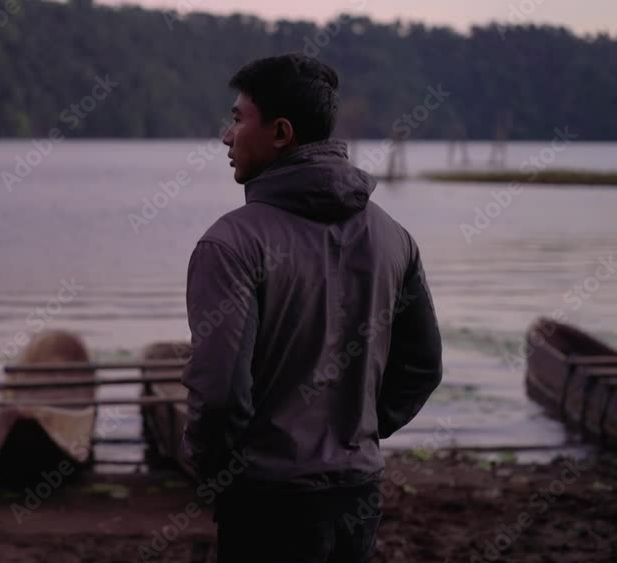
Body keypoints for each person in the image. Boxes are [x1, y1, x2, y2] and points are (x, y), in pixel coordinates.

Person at [178, 53, 443, 562]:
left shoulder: (231, 244)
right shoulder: (393, 236)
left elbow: (219, 394)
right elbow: (422, 366)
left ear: (281, 133)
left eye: (238, 118)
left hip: (266, 500)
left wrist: (217, 471)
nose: (226, 136)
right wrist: (356, 431)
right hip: (358, 494)